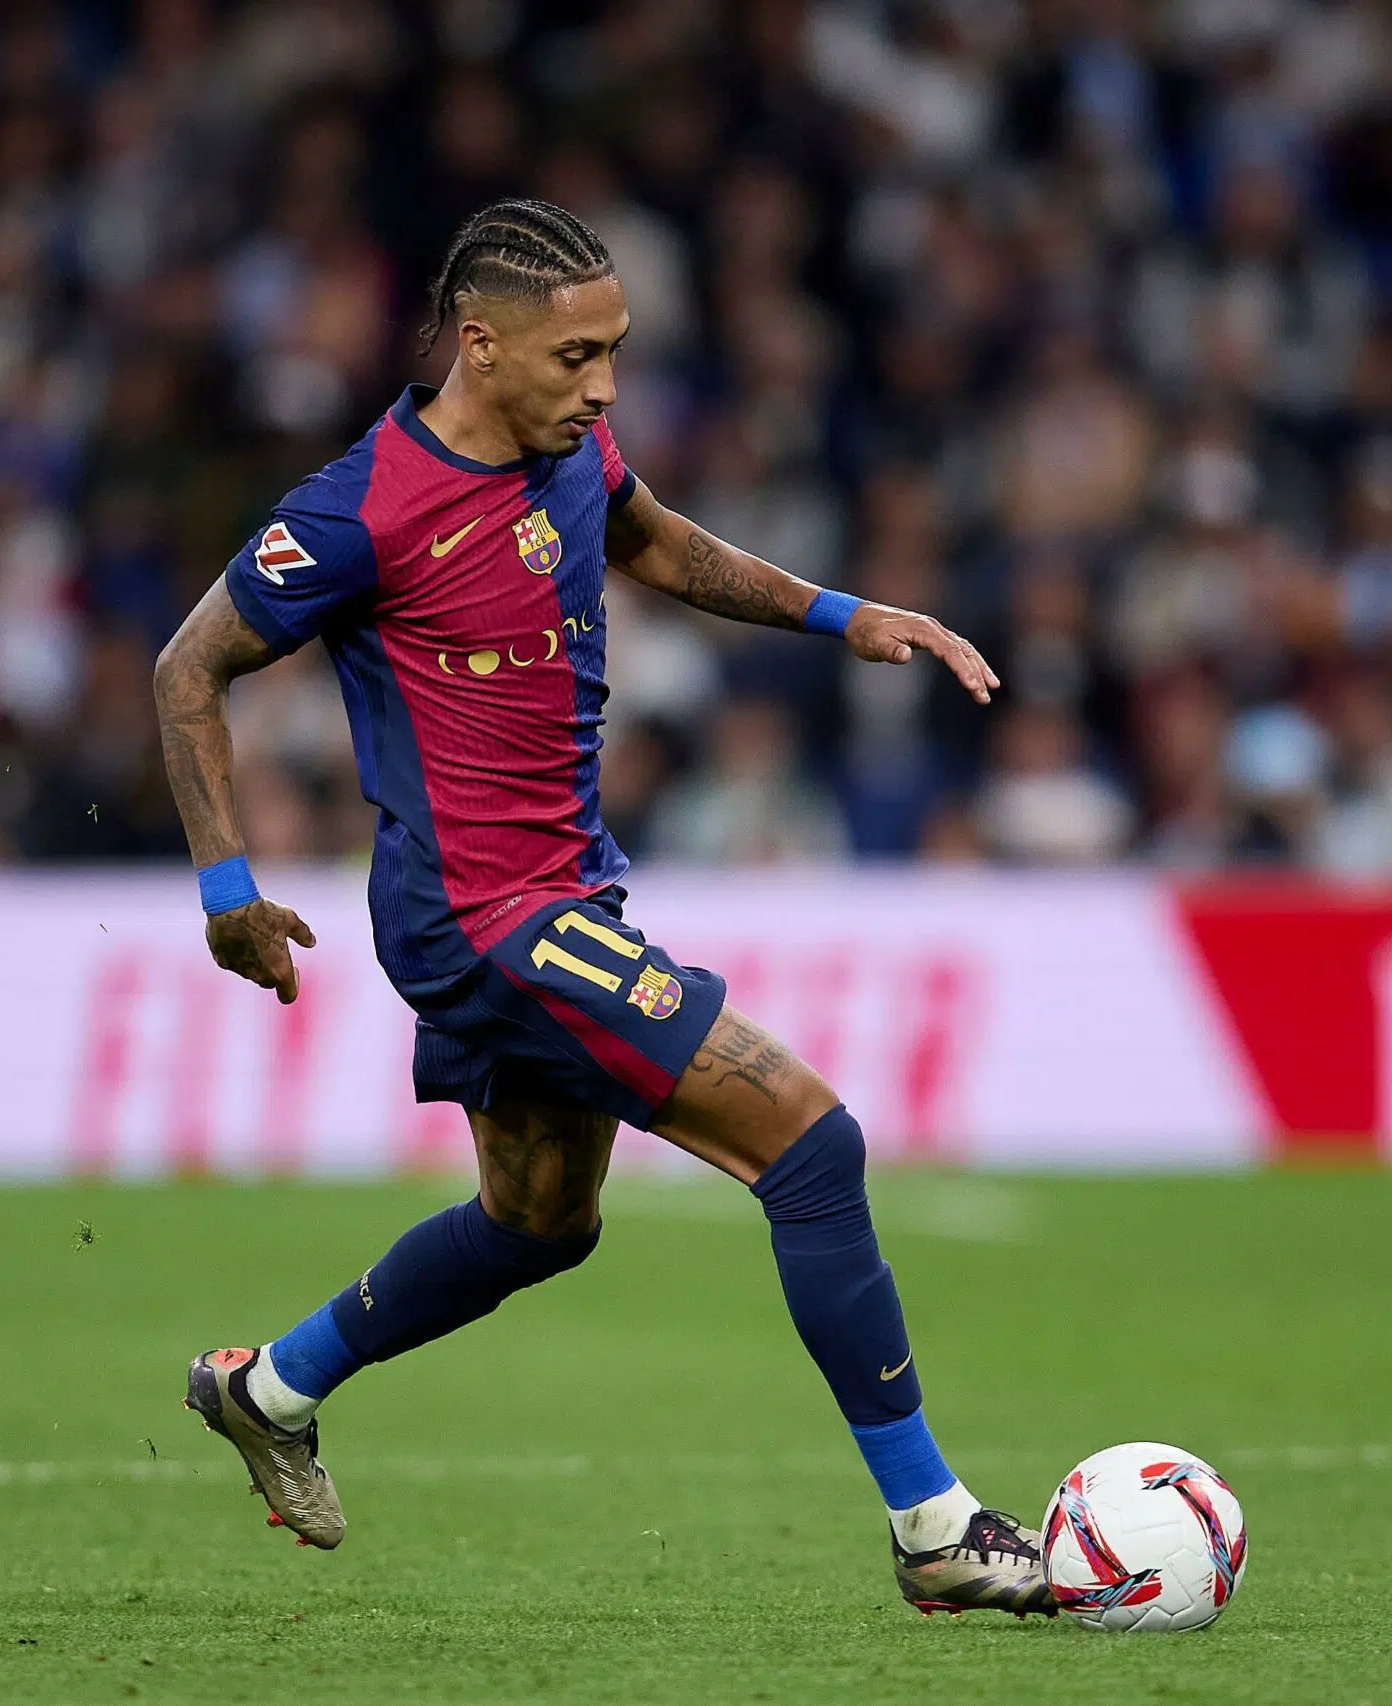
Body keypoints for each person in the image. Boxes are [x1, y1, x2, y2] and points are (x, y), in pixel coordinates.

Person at [150, 200, 1044, 1616]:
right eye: (579, 356)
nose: (607, 384)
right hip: (480, 916)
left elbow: (659, 543)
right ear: (482, 343)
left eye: (617, 350)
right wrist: (225, 890)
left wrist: (841, 614)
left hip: (566, 887)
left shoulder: (569, 445)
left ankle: (268, 1385)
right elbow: (186, 668)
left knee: (540, 1222)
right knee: (812, 1144)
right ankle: (935, 1524)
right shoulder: (357, 508)